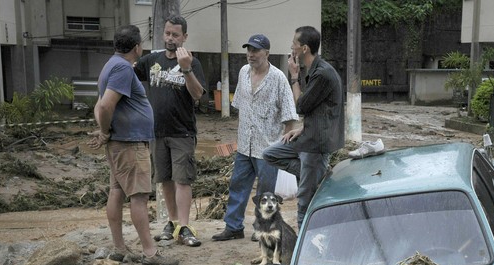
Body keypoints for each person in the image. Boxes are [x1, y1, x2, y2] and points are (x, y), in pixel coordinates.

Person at [88, 24, 179, 265]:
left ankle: (119, 248)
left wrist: (105, 131)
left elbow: (99, 106)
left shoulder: (110, 66)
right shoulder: (122, 69)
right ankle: (150, 253)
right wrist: (106, 131)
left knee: (117, 191)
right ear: (137, 47)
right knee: (138, 197)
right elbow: (106, 106)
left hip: (122, 142)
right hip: (129, 143)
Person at [212, 34, 299, 241]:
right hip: (245, 144)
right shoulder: (243, 72)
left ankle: (263, 228)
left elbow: (289, 114)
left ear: (266, 53)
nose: (251, 54)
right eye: (249, 50)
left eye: (256, 50)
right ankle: (233, 227)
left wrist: (285, 145)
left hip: (268, 147)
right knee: (238, 186)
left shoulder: (278, 78)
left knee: (265, 192)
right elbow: (242, 107)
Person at [134, 15, 206, 247]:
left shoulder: (192, 63)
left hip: (182, 132)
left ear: (184, 37)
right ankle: (173, 222)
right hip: (156, 132)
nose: (170, 39)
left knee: (182, 180)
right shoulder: (151, 60)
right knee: (164, 179)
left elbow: (197, 95)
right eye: (167, 33)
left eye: (176, 35)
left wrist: (186, 69)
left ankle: (185, 227)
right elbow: (130, 73)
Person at [263, 26, 345, 228]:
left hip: (315, 144)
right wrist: (301, 128)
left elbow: (301, 106)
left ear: (304, 49)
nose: (292, 47)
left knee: (304, 200)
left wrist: (293, 76)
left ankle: (303, 248)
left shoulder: (322, 74)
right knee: (270, 154)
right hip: (308, 136)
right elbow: (317, 110)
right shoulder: (316, 70)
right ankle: (317, 174)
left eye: (294, 44)